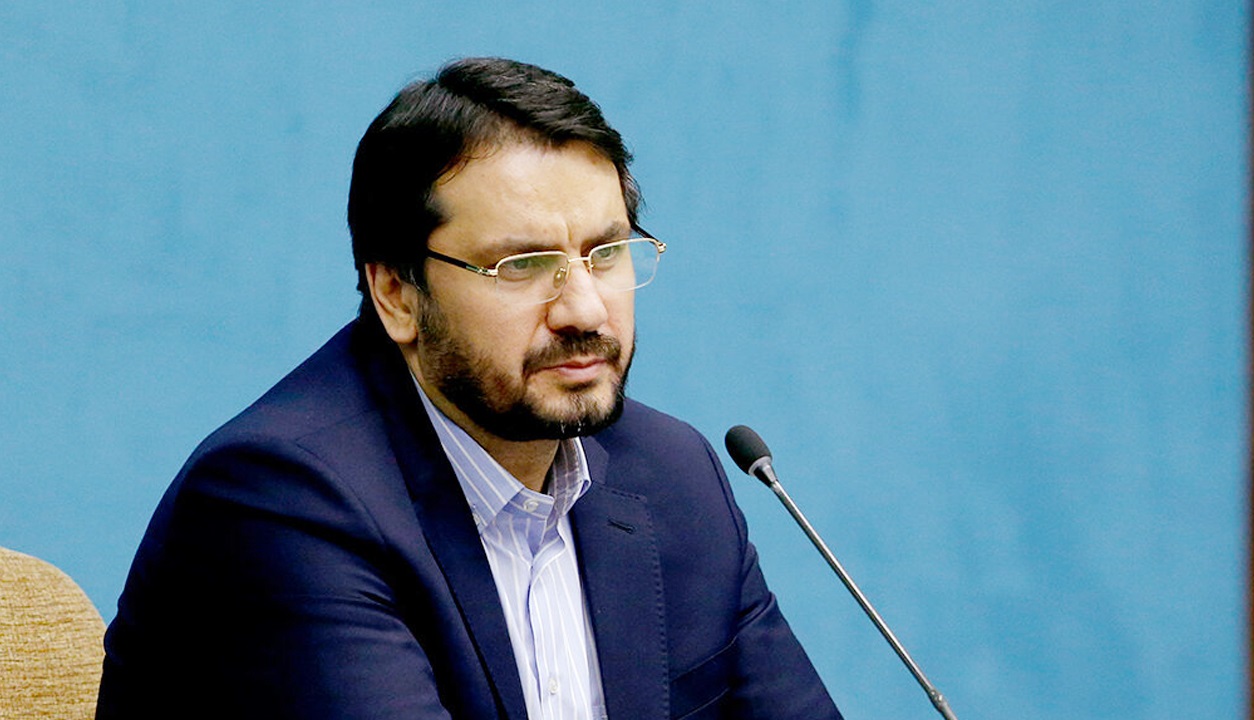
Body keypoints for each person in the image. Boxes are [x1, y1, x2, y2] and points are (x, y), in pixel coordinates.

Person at [97, 57, 842, 720]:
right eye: (522, 265)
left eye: (606, 252)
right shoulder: (283, 498)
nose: (585, 310)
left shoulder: (674, 476)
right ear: (396, 294)